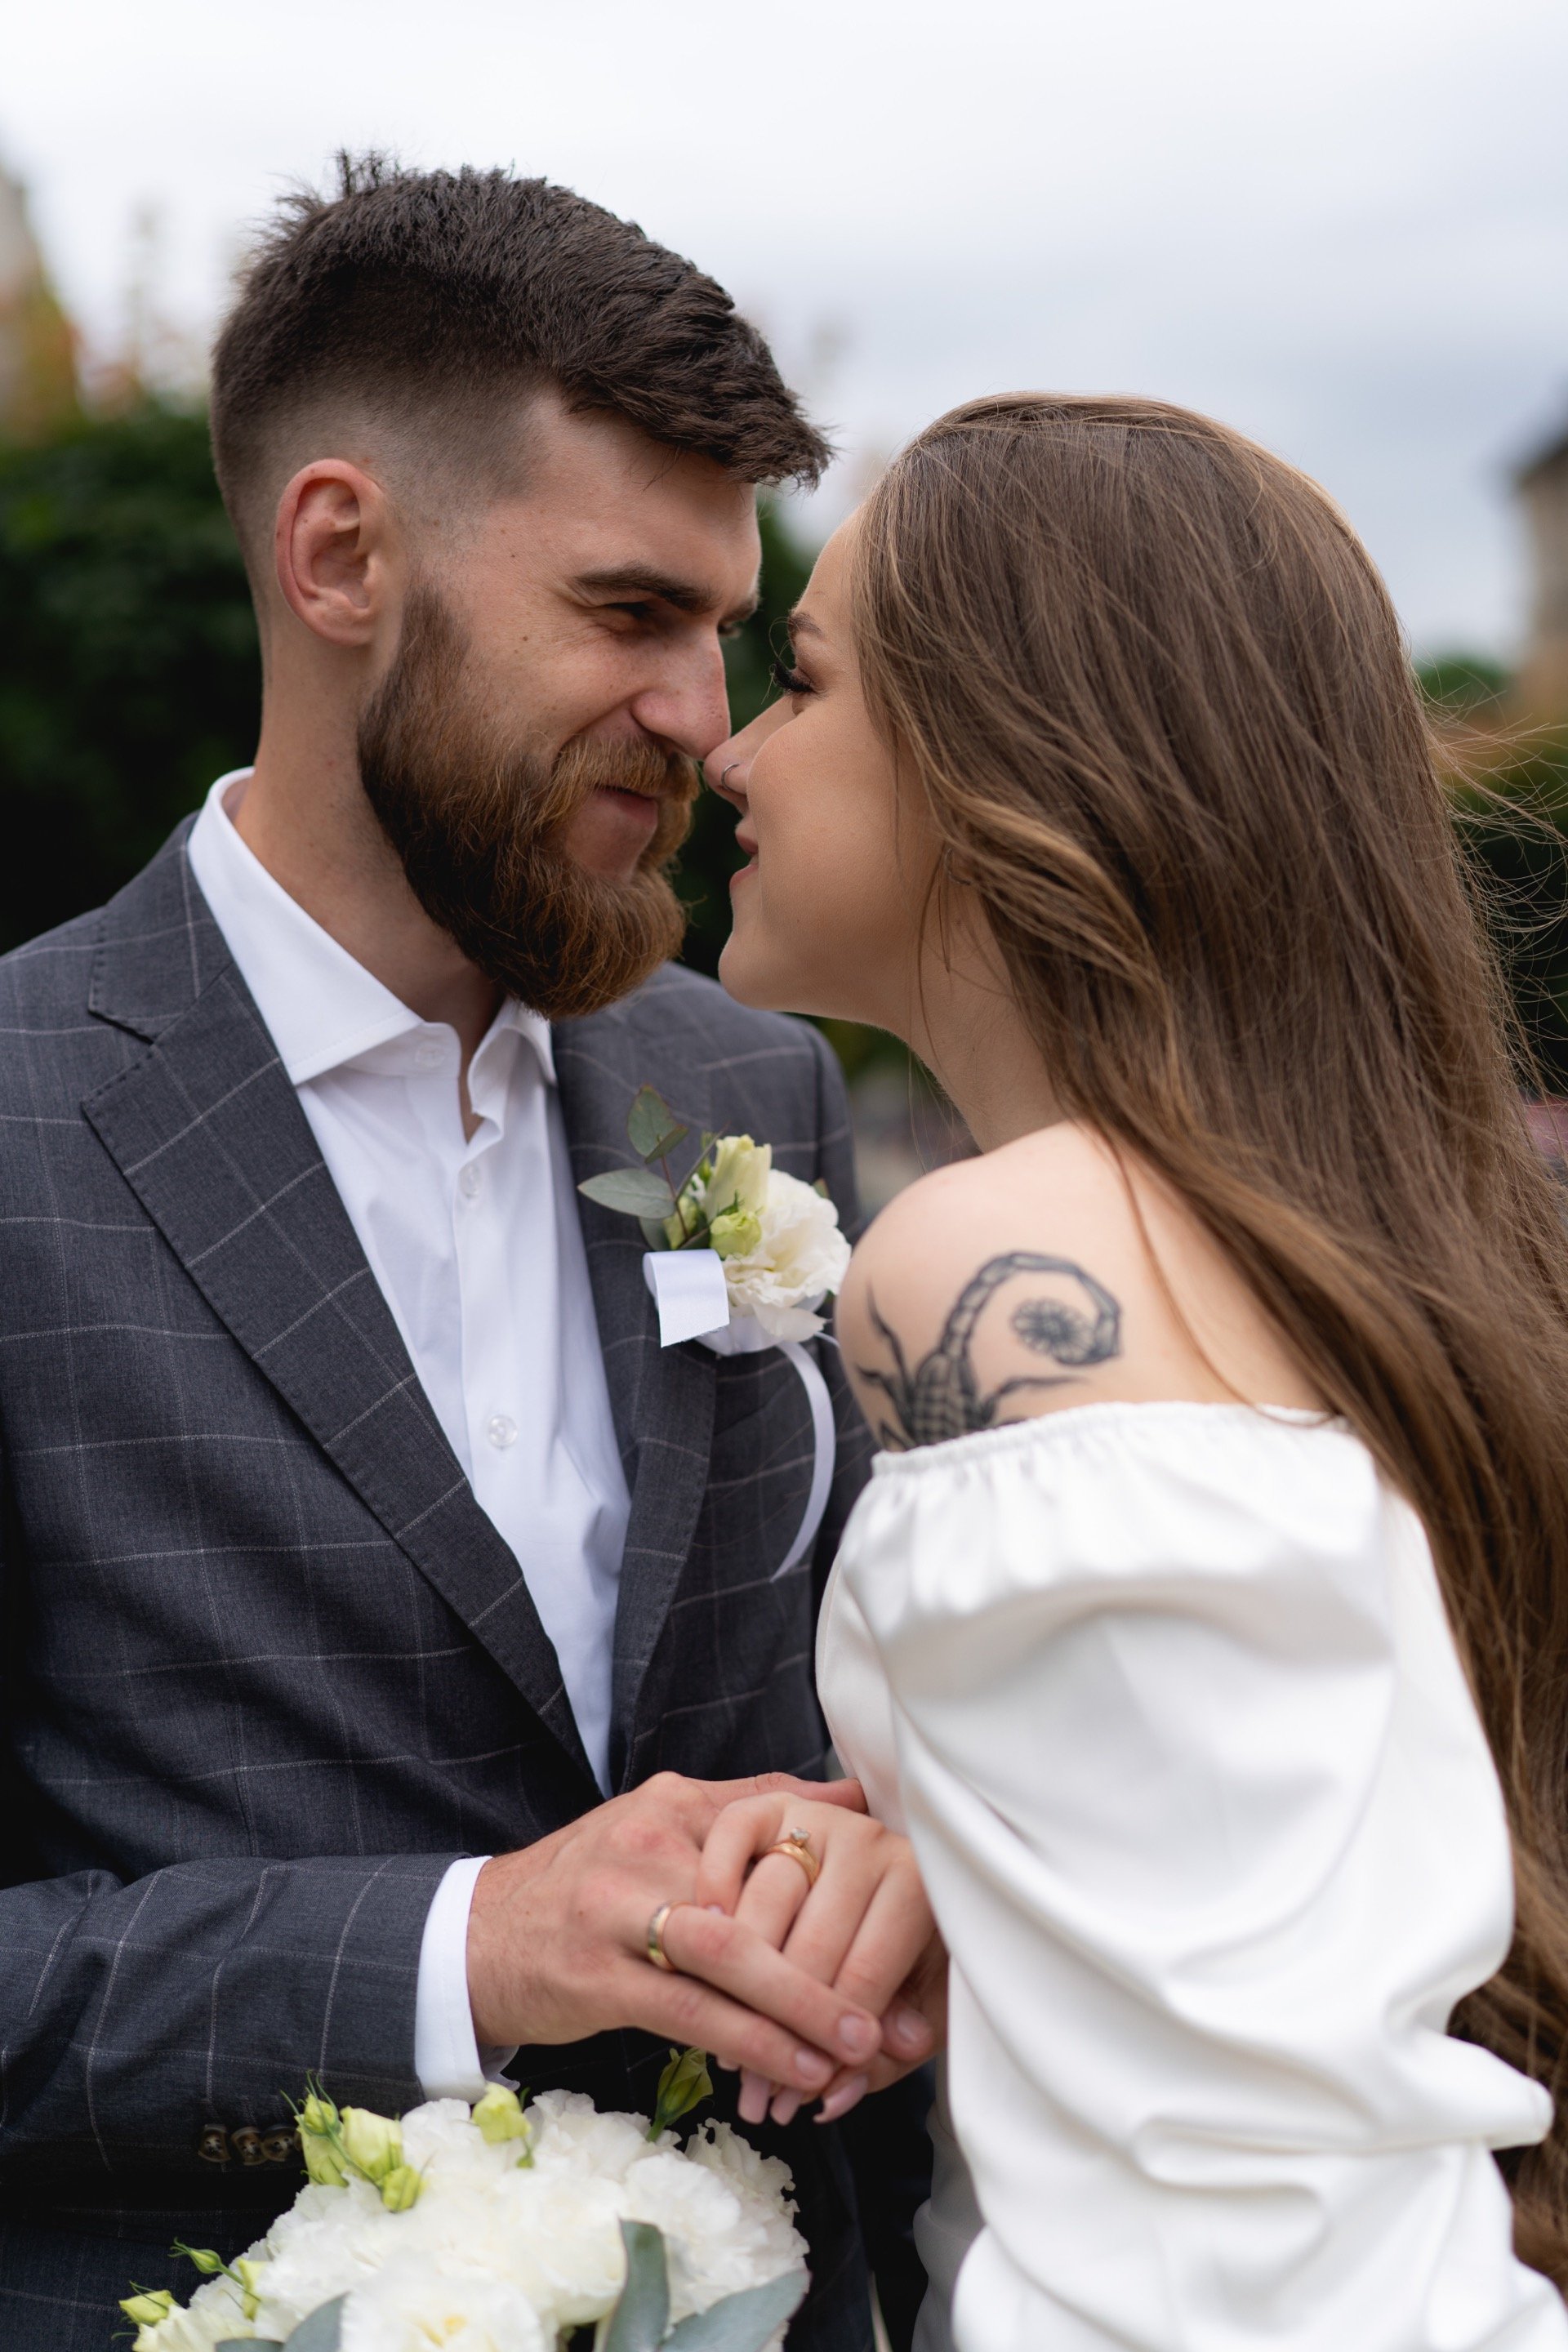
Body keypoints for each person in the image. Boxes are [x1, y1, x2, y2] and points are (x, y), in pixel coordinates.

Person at [0, 159, 938, 2351]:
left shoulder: (757, 1096)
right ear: (341, 554)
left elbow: (872, 1707)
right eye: (629, 613)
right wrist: (465, 1950)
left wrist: (881, 1872)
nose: (705, 723)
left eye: (727, 629)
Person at [696, 394, 1568, 2349]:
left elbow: (1202, 2191)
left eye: (804, 681)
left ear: (999, 743)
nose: (734, 754)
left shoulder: (1001, 1264)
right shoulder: (1366, 1243)